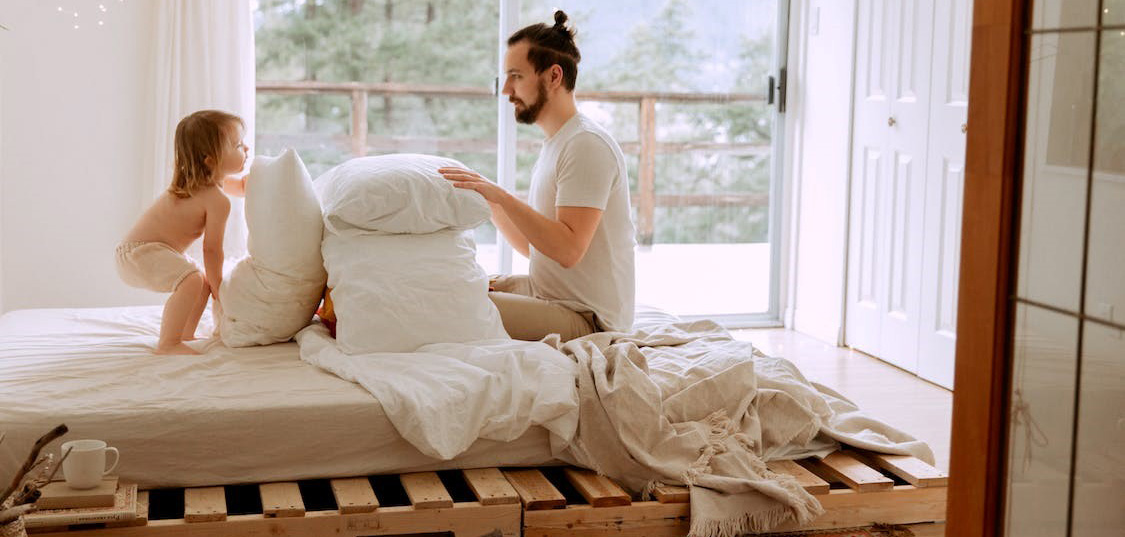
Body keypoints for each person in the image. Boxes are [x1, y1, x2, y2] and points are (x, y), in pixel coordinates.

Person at [439, 10, 636, 341]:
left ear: (553, 76)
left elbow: (568, 251)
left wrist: (501, 195)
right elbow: (539, 251)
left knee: (449, 302)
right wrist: (489, 202)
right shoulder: (559, 144)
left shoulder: (585, 145)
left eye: (516, 76)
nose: (507, 91)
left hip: (588, 318)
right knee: (454, 283)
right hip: (554, 295)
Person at [116, 110, 250, 355]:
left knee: (200, 281)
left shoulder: (204, 184)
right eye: (238, 145)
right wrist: (219, 286)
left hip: (135, 252)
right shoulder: (216, 200)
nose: (247, 148)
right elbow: (212, 249)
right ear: (210, 159)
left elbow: (241, 186)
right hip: (140, 253)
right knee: (192, 280)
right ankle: (168, 343)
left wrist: (258, 178)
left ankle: (184, 334)